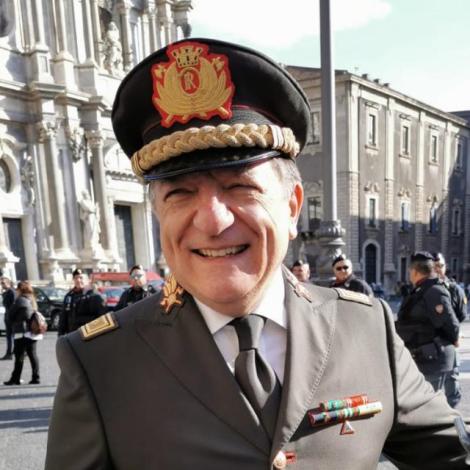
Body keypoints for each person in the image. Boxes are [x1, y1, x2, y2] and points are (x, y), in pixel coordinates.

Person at [46, 38, 469, 469]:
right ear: (158, 215)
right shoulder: (100, 361)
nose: (211, 221)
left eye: (239, 186)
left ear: (292, 207)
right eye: (180, 194)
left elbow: (450, 456)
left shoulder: (364, 327)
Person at [396, 251, 460, 397]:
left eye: (410, 271)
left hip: (432, 359)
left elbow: (451, 323)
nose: (409, 274)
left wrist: (454, 339)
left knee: (428, 402)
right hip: (421, 357)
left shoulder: (434, 291)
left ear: (415, 271)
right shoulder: (421, 289)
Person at [434, 252, 467, 407]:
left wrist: (451, 329)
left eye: (440, 266)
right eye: (435, 266)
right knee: (430, 388)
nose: (438, 269)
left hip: (449, 343)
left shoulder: (454, 289)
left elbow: (461, 314)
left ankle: (451, 415)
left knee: (451, 385)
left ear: (445, 267)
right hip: (429, 346)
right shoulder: (425, 289)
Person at [3, 281, 41, 385]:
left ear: (20, 289)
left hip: (22, 332)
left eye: (17, 289)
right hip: (32, 332)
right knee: (32, 355)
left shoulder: (20, 300)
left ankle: (15, 378)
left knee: (19, 356)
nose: (16, 291)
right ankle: (36, 377)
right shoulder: (32, 299)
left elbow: (10, 315)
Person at [58, 268, 106, 335]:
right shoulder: (69, 296)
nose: (78, 280)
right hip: (72, 335)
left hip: (89, 335)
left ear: (88, 280)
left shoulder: (95, 296)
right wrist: (60, 334)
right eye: (76, 278)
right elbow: (63, 317)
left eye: (81, 278)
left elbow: (102, 318)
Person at [1, 276, 16, 360]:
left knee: (13, 336)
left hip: (12, 317)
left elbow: (14, 305)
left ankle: (12, 353)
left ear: (8, 283)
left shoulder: (12, 292)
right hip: (7, 317)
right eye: (1, 283)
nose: (2, 285)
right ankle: (9, 353)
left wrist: (12, 316)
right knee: (9, 336)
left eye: (3, 283)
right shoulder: (6, 292)